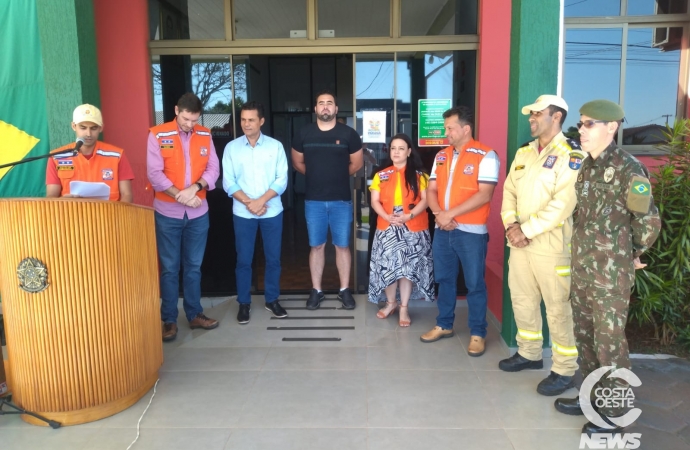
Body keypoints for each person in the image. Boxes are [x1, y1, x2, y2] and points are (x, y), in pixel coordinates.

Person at [554, 100, 661, 436]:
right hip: (584, 270)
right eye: (581, 123)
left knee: (609, 344)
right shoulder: (587, 167)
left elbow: (648, 220)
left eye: (589, 124)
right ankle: (592, 399)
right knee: (584, 339)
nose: (581, 130)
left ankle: (615, 413)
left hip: (610, 275)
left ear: (611, 127)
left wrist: (634, 252)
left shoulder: (630, 170)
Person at [499, 95, 581, 396]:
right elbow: (508, 192)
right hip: (519, 243)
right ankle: (530, 353)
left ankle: (564, 369)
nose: (531, 119)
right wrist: (511, 226)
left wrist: (526, 230)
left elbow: (563, 204)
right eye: (530, 114)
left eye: (537, 114)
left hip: (552, 246)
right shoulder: (524, 153)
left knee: (558, 309)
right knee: (522, 299)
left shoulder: (571, 154)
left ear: (557, 116)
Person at [420, 105, 499, 358]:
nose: (446, 132)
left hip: (471, 232)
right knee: (444, 280)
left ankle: (478, 333)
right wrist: (438, 215)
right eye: (445, 128)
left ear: (466, 129)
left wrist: (449, 214)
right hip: (443, 229)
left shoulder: (486, 155)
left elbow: (485, 194)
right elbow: (431, 190)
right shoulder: (441, 155)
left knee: (474, 284)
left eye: (450, 128)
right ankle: (444, 324)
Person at [147, 93, 221, 342]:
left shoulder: (205, 134)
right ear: (176, 110)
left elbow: (213, 168)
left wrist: (195, 188)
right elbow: (154, 174)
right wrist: (182, 195)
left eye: (194, 119)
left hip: (198, 212)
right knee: (169, 269)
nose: (190, 124)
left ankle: (194, 314)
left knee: (193, 267)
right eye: (186, 118)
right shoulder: (158, 134)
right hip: (167, 213)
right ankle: (168, 320)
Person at [291, 90, 363, 310]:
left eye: (329, 103)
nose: (325, 107)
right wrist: (317, 176)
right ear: (315, 109)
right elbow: (298, 163)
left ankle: (344, 290)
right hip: (314, 201)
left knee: (342, 246)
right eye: (321, 103)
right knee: (317, 246)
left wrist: (336, 176)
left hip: (341, 200)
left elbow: (356, 164)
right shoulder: (304, 134)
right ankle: (317, 290)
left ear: (336, 108)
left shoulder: (349, 134)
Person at [222, 101, 289, 324]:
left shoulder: (275, 147)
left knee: (273, 259)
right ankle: (244, 303)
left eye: (251, 119)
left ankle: (272, 299)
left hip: (271, 211)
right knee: (243, 260)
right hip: (243, 213)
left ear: (261, 121)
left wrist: (261, 200)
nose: (246, 124)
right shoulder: (232, 148)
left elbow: (282, 179)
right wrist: (249, 202)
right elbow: (228, 182)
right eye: (243, 119)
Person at [367, 133, 434, 327]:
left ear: (409, 151)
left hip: (412, 226)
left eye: (401, 148)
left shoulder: (420, 175)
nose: (396, 152)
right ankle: (390, 303)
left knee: (407, 269)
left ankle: (404, 307)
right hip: (388, 225)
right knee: (388, 268)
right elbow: (374, 201)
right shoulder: (381, 174)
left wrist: (408, 216)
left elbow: (426, 199)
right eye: (393, 148)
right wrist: (388, 216)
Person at [46, 104, 133, 202]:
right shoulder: (56, 157)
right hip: (70, 215)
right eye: (83, 128)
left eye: (93, 128)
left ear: (101, 128)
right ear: (74, 126)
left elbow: (127, 195)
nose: (88, 134)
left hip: (109, 215)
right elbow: (51, 196)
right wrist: (63, 201)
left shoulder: (117, 155)